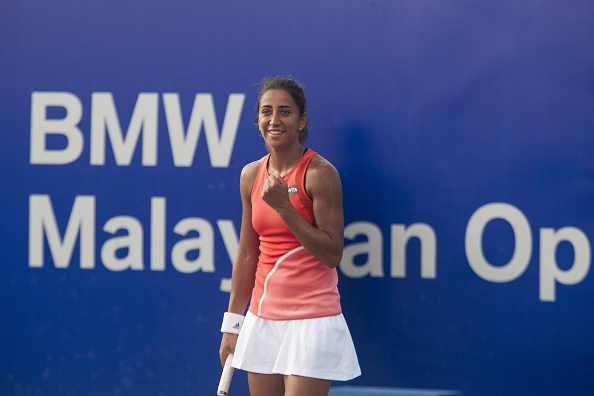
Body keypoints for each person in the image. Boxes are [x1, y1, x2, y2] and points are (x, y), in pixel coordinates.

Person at [219, 76, 361, 396]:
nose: (274, 120)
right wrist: (232, 325)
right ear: (258, 121)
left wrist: (285, 208)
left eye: (285, 111)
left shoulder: (320, 173)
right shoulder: (251, 175)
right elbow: (246, 254)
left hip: (312, 319)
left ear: (301, 120)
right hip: (262, 318)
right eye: (267, 111)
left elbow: (332, 253)